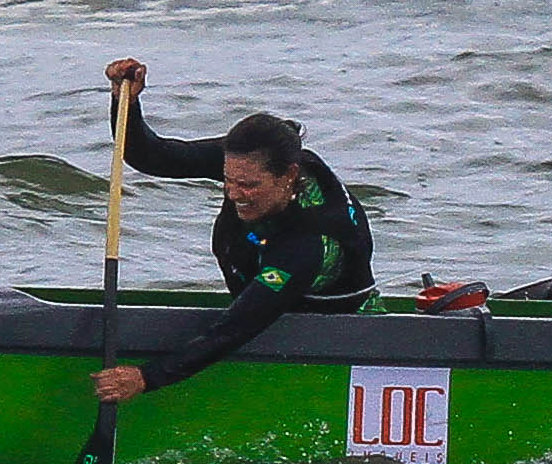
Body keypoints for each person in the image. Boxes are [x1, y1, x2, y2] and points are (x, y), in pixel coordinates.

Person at [84, 57, 376, 406]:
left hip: (341, 342)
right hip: (261, 312)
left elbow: (238, 327)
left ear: (287, 176)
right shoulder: (247, 161)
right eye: (228, 180)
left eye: (248, 186)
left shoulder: (310, 242)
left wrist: (147, 377)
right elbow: (151, 156)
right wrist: (125, 101)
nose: (234, 193)